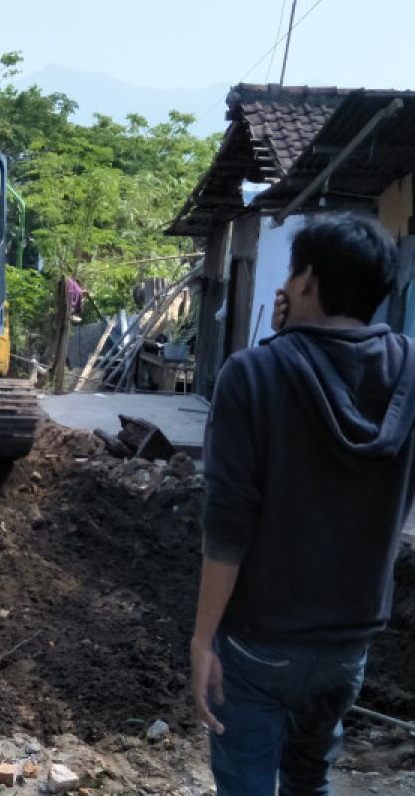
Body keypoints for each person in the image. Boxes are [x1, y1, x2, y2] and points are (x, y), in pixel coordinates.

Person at [192, 213, 415, 795]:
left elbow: (228, 521)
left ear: (309, 280)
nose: (285, 288)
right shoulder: (410, 373)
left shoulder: (252, 375)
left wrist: (202, 640)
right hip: (348, 642)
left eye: (292, 277)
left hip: (260, 639)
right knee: (309, 781)